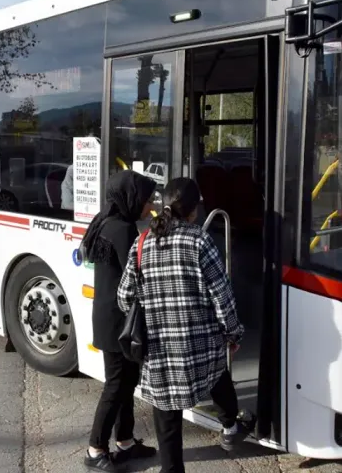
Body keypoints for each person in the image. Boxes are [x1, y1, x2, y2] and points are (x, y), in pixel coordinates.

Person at [117, 177, 254, 473]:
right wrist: (233, 331)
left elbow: (124, 297)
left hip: (159, 353)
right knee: (219, 378)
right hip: (200, 347)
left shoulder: (141, 243)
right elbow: (223, 296)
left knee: (168, 425)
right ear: (193, 211)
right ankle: (230, 427)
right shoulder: (199, 241)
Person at [80, 170, 159, 473]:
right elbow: (136, 277)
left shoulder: (104, 222)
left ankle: (125, 441)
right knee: (116, 385)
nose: (150, 206)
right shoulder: (124, 229)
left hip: (108, 318)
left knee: (126, 382)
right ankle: (95, 448)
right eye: (147, 200)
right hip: (119, 321)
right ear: (130, 198)